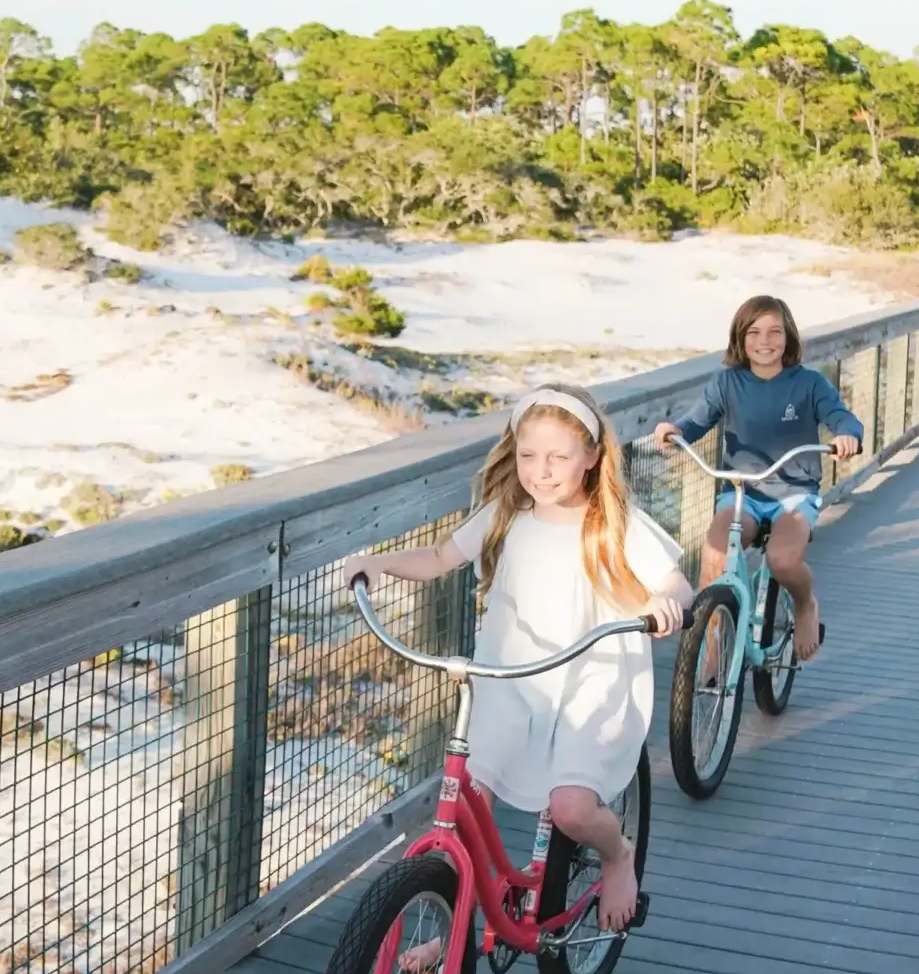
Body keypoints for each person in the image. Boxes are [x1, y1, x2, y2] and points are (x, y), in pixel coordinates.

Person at [343, 384, 692, 932]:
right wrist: (380, 562)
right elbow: (439, 557)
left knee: (574, 809)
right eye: (529, 455)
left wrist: (665, 600)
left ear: (593, 457)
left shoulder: (611, 525)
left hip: (589, 683)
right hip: (510, 680)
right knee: (464, 803)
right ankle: (451, 930)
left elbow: (676, 580)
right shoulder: (504, 514)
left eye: (559, 456)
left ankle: (617, 854)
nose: (542, 470)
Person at [652, 294, 862, 662]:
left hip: (793, 494)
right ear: (740, 339)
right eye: (754, 332)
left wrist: (847, 434)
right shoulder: (726, 383)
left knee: (782, 559)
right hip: (741, 491)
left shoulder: (810, 384)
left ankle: (804, 604)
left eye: (774, 332)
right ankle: (711, 653)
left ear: (788, 337)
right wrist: (675, 431)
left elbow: (840, 416)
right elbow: (697, 420)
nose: (764, 341)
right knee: (715, 560)